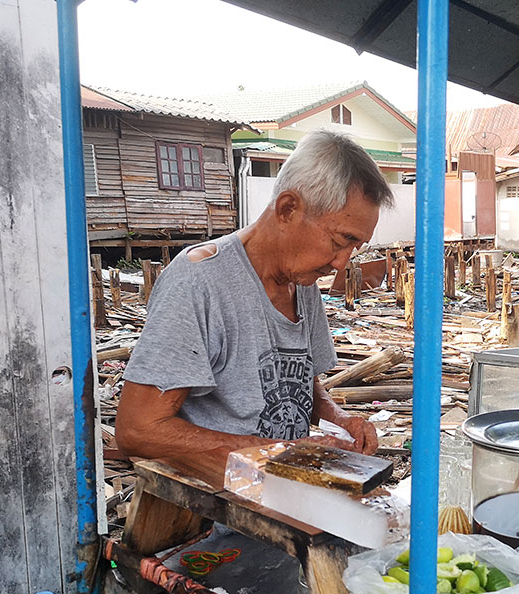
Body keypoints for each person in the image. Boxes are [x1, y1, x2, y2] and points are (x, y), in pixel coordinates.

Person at [115, 131, 391, 462]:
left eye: (355, 247)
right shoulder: (200, 281)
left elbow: (297, 381)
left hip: (279, 480)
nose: (341, 263)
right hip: (212, 491)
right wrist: (279, 452)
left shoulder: (301, 279)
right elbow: (137, 430)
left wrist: (337, 417)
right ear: (288, 209)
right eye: (339, 241)